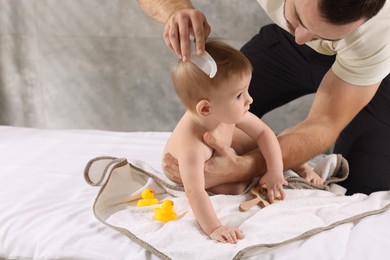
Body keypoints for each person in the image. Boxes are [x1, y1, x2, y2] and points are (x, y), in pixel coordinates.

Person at [138, 0, 390, 195]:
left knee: (363, 184)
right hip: (283, 43)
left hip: (369, 66)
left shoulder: (378, 33)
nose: (302, 39)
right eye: (299, 17)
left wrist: (244, 166)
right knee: (216, 114)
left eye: (322, 33)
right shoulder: (298, 36)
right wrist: (175, 10)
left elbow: (324, 122)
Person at [164, 40, 322, 244]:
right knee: (235, 188)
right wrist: (215, 228)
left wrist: (275, 170)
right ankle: (241, 168)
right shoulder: (192, 148)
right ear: (205, 109)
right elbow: (194, 192)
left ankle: (298, 163)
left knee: (256, 143)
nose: (250, 100)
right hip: (195, 170)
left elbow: (264, 133)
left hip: (220, 138)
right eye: (239, 95)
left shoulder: (221, 112)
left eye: (246, 90)